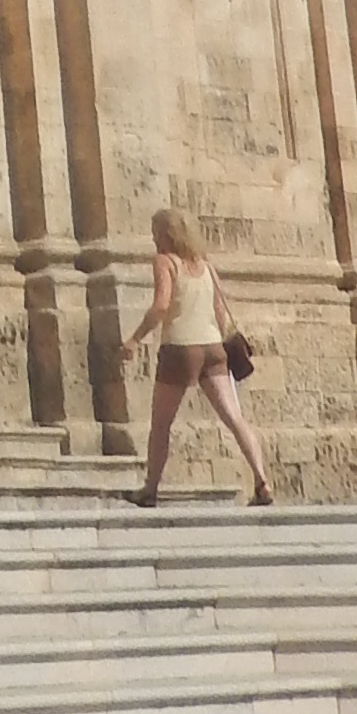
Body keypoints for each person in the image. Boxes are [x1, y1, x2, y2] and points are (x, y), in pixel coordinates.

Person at [122, 203, 274, 505]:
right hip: (213, 347)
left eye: (155, 232)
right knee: (234, 418)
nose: (153, 238)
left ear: (167, 235)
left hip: (180, 348)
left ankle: (150, 490)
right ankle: (262, 481)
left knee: (161, 424)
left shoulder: (165, 262)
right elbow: (220, 311)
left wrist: (135, 339)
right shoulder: (206, 266)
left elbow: (161, 305)